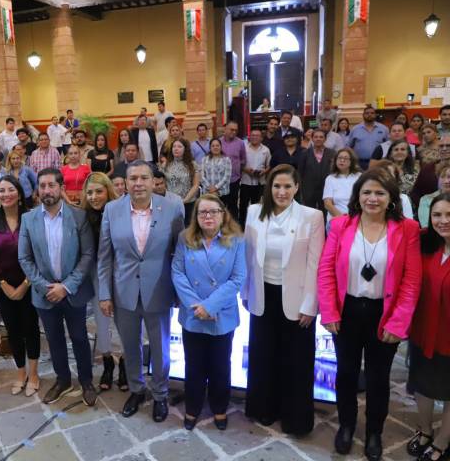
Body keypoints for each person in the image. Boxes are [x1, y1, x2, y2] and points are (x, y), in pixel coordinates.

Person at [318, 168, 422, 460]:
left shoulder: (407, 229)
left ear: (391, 198)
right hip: (347, 310)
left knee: (378, 377)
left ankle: (375, 431)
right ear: (357, 196)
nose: (372, 198)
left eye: (379, 193)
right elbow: (326, 270)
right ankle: (346, 425)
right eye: (366, 192)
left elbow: (411, 280)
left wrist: (398, 322)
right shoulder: (340, 225)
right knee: (346, 373)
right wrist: (329, 311)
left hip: (384, 313)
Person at [97, 160, 185, 422]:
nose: (138, 183)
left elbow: (179, 253)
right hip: (124, 290)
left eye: (144, 178)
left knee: (161, 349)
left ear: (153, 181)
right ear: (125, 182)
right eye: (133, 178)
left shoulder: (172, 209)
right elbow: (104, 256)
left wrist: (179, 291)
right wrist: (104, 293)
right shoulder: (112, 210)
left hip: (159, 289)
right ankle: (136, 389)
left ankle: (160, 393)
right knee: (130, 346)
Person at [243, 164, 325, 436]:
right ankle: (264, 408)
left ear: (296, 187)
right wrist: (246, 291)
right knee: (263, 355)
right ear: (269, 187)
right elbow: (248, 255)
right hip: (262, 293)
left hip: (297, 298)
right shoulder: (254, 212)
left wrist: (311, 304)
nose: (281, 191)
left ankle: (295, 418)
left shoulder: (311, 216)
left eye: (287, 186)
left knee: (296, 361)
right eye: (276, 186)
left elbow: (315, 264)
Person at [17, 168, 97, 406]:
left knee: (80, 337)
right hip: (45, 294)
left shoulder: (78, 216)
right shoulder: (29, 219)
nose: (46, 190)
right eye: (42, 186)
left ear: (61, 188)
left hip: (73, 291)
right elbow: (25, 258)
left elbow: (88, 254)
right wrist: (45, 287)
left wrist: (67, 286)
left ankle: (86, 381)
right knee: (54, 339)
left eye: (51, 185)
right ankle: (63, 380)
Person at [171, 194, 246, 431]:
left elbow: (238, 278)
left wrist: (210, 306)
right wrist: (197, 306)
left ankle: (219, 407)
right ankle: (192, 407)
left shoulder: (237, 240)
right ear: (196, 216)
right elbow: (177, 272)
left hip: (221, 314)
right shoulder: (185, 238)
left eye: (213, 211)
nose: (208, 216)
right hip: (193, 313)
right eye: (202, 212)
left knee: (221, 365)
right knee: (193, 365)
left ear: (223, 214)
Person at [0, 176, 41, 397]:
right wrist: (3, 284)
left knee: (31, 327)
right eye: (2, 191)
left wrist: (25, 284)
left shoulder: (31, 217)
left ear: (19, 193)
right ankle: (20, 372)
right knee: (13, 328)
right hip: (2, 285)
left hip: (30, 283)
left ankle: (34, 373)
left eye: (11, 189)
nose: (6, 194)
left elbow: (39, 252)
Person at [406, 193, 450, 461]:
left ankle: (443, 441)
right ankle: (425, 431)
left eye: (449, 215)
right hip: (422, 331)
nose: (443, 220)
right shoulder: (424, 242)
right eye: (437, 215)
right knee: (421, 385)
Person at [80, 173, 128, 391]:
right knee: (101, 320)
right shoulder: (83, 217)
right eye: (89, 192)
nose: (94, 197)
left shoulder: (121, 213)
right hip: (95, 274)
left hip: (121, 273)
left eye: (99, 191)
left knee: (124, 320)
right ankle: (107, 361)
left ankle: (126, 362)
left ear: (108, 191)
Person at [162, 139, 200, 223]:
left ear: (185, 149)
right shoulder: (166, 165)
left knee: (188, 227)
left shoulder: (193, 165)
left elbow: (196, 185)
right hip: (171, 203)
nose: (176, 149)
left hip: (188, 202)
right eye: (174, 146)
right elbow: (163, 184)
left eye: (179, 146)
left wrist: (185, 200)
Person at [323, 148, 363, 226]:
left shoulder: (359, 176)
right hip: (337, 220)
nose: (342, 160)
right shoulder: (330, 178)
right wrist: (343, 219)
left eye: (345, 158)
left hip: (356, 220)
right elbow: (327, 204)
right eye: (340, 158)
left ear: (351, 161)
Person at [240, 129, 271, 226]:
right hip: (245, 181)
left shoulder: (266, 150)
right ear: (249, 137)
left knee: (257, 206)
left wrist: (264, 171)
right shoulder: (244, 148)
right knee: (243, 205)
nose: (254, 137)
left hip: (260, 182)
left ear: (261, 138)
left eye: (257, 135)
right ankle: (242, 225)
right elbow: (239, 163)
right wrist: (246, 170)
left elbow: (269, 165)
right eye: (252, 135)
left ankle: (256, 225)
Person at [298, 130, 336, 211]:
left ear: (325, 139)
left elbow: (335, 171)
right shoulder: (304, 153)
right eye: (316, 137)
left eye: (321, 137)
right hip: (309, 189)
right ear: (312, 138)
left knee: (325, 212)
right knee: (309, 212)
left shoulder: (332, 153)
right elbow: (300, 172)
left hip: (326, 189)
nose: (318, 139)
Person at [412, 135, 450, 207]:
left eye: (448, 146)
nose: (444, 149)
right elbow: (416, 192)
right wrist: (425, 207)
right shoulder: (427, 169)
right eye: (441, 146)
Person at [219, 121, 246, 220]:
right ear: (225, 129)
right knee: (220, 206)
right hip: (220, 181)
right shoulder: (218, 142)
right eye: (231, 130)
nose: (234, 132)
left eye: (236, 130)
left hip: (234, 180)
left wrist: (238, 172)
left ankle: (233, 226)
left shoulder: (240, 143)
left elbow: (243, 159)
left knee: (233, 205)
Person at [201, 139, 232, 207]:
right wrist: (210, 188)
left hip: (222, 193)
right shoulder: (204, 159)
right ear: (210, 148)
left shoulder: (226, 160)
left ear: (221, 147)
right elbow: (202, 176)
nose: (215, 147)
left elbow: (227, 177)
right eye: (213, 146)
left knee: (221, 212)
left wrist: (216, 188)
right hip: (207, 193)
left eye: (217, 145)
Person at [418, 162, 450, 228]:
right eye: (442, 177)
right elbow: (426, 226)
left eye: (449, 177)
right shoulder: (426, 200)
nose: (446, 181)